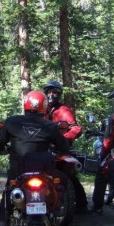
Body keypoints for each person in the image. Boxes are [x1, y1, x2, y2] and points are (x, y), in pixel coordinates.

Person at [0, 90, 71, 226]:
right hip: (43, 172)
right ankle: (55, 216)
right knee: (56, 189)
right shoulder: (49, 125)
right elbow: (64, 147)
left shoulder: (12, 122)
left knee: (7, 202)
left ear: (26, 104)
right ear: (43, 106)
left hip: (18, 172)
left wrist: (3, 148)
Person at [42, 80, 88, 213]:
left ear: (59, 94)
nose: (51, 95)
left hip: (59, 148)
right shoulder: (42, 110)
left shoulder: (63, 110)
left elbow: (76, 128)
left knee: (68, 175)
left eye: (55, 92)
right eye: (49, 92)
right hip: (42, 147)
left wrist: (63, 139)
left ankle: (81, 204)